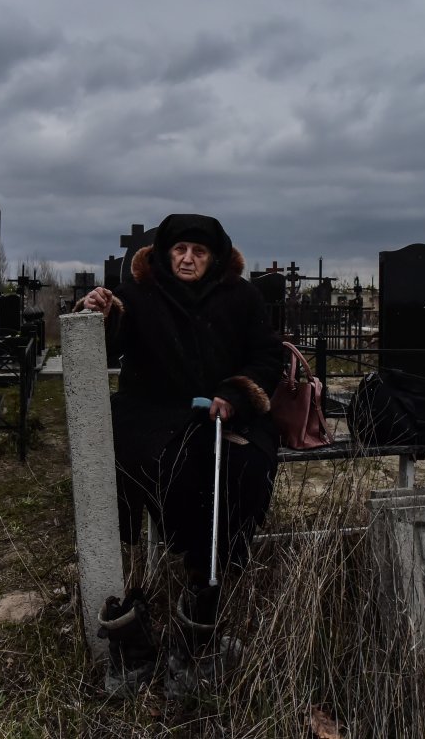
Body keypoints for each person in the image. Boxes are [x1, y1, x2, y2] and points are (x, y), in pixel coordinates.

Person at [77, 213, 283, 697]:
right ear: (165, 255)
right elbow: (112, 337)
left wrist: (234, 393)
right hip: (154, 412)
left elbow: (266, 356)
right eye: (180, 250)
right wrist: (99, 309)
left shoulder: (242, 297)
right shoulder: (139, 297)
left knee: (244, 465)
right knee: (166, 466)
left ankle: (207, 588)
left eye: (199, 251)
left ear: (214, 258)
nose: (188, 258)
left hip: (222, 411)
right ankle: (158, 590)